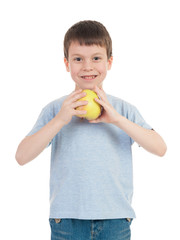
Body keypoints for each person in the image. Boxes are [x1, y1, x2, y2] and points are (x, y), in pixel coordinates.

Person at [15, 20, 167, 240]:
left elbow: (160, 148)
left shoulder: (123, 109)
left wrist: (116, 120)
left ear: (109, 62)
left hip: (116, 219)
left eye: (96, 58)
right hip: (66, 220)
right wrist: (60, 120)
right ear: (67, 63)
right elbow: (21, 156)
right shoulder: (56, 109)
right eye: (78, 59)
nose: (87, 66)